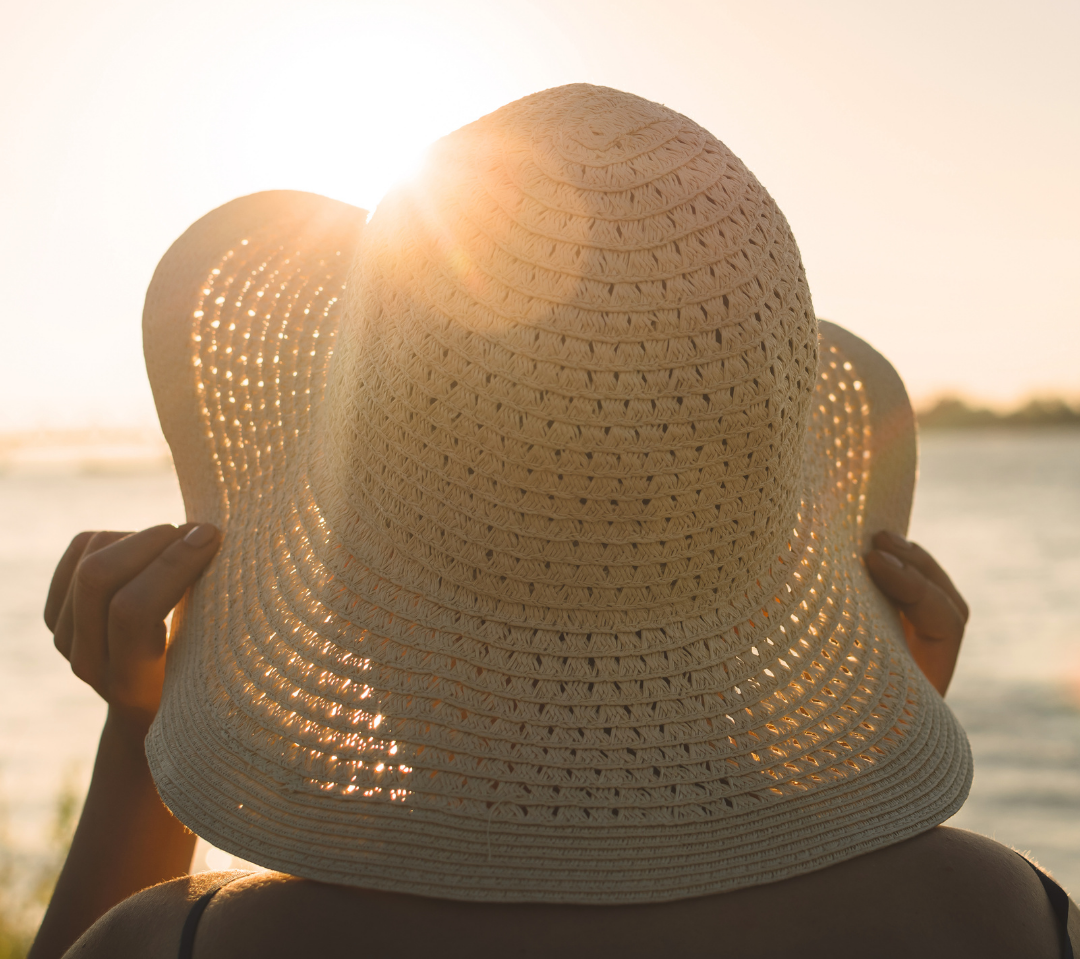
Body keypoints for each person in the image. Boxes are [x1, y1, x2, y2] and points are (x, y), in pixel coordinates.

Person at [29, 85, 1079, 958]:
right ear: (781, 558)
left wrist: (146, 738)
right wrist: (840, 768)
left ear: (336, 550)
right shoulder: (1005, 919)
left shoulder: (192, 945)